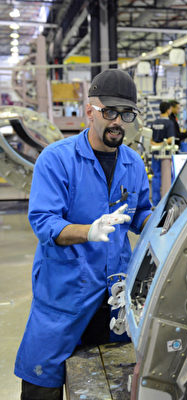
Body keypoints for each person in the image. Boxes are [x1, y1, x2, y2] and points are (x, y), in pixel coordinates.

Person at [14, 69, 153, 400]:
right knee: (41, 385)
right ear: (90, 110)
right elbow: (44, 221)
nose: (118, 122)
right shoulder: (57, 159)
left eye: (126, 114)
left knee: (112, 384)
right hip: (64, 294)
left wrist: (166, 222)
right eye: (110, 112)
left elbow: (141, 213)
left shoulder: (133, 163)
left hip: (114, 296)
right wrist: (88, 232)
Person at [150, 101, 176, 205]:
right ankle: (166, 202)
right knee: (167, 177)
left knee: (156, 176)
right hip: (166, 156)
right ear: (169, 110)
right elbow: (170, 139)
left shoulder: (154, 122)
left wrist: (156, 144)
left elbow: (151, 139)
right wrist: (161, 144)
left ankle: (155, 203)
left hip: (155, 153)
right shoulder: (169, 123)